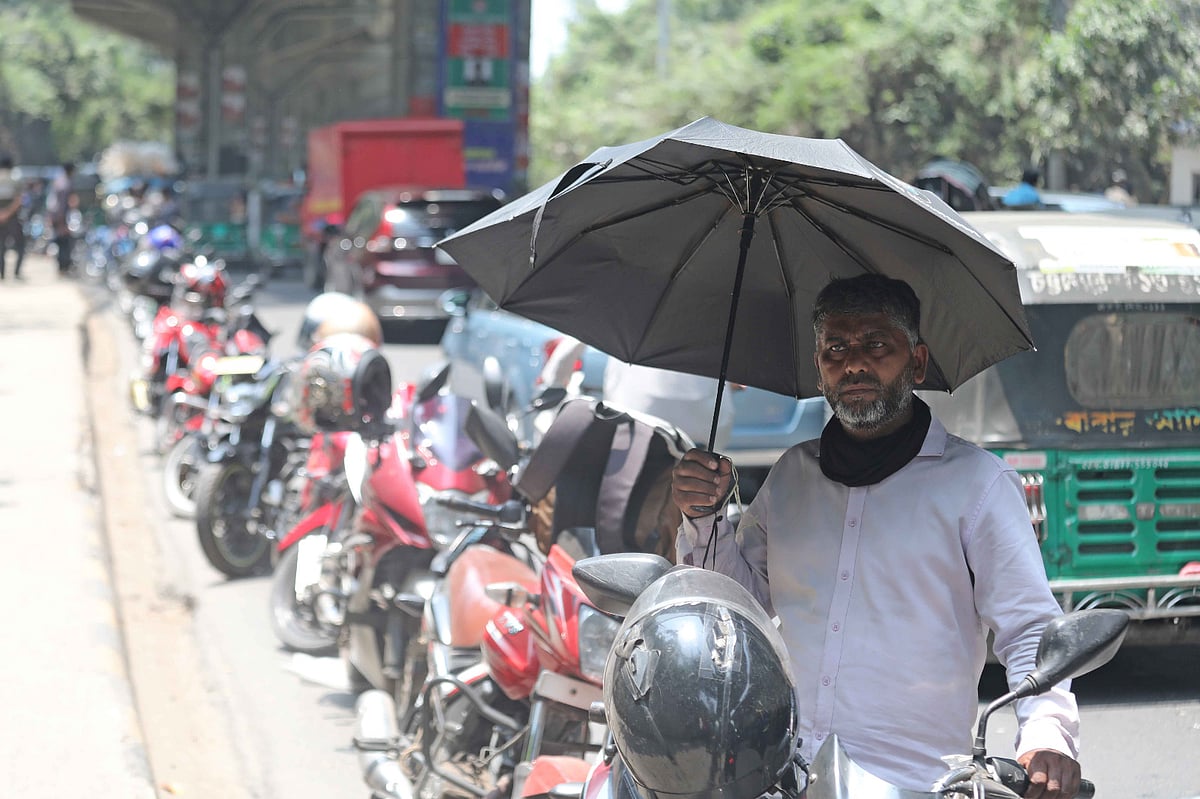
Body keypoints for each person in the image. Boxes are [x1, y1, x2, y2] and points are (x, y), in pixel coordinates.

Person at [671, 274, 1081, 798]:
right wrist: (704, 515)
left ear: (917, 362)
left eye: (876, 345)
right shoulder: (792, 476)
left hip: (921, 782)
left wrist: (1046, 736)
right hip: (783, 774)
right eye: (835, 348)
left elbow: (1029, 630)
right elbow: (735, 609)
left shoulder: (978, 485)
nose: (854, 363)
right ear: (819, 370)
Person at [539, 334, 736, 451]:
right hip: (707, 420)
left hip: (636, 411)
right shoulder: (718, 290)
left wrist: (554, 380)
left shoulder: (631, 284)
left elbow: (580, 332)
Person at [47, 162, 76, 275]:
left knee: (61, 242)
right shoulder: (65, 184)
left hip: (57, 217)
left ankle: (62, 267)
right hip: (61, 218)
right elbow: (61, 205)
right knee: (64, 243)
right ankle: (63, 267)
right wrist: (62, 222)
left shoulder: (58, 181)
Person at [0, 156, 25, 280]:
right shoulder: (15, 179)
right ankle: (16, 272)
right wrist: (7, 213)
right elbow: (19, 200)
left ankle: (2, 274)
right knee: (20, 245)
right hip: (13, 218)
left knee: (1, 246)